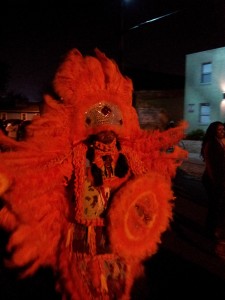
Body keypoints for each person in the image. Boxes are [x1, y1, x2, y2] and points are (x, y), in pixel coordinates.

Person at [0, 48, 187, 299]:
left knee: (120, 289)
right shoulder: (77, 154)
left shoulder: (130, 155)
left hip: (117, 238)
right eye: (101, 129)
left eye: (113, 128)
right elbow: (46, 172)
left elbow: (149, 185)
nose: (107, 133)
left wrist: (149, 216)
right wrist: (12, 179)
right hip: (81, 241)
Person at [201, 121, 225, 257]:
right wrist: (215, 181)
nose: (222, 131)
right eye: (219, 129)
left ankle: (213, 230)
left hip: (220, 180)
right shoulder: (211, 144)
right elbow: (210, 165)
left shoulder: (221, 141)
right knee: (214, 206)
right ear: (213, 131)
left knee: (218, 206)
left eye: (223, 129)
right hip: (212, 180)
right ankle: (209, 232)